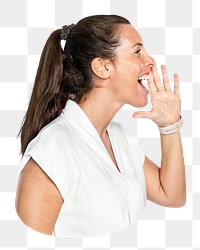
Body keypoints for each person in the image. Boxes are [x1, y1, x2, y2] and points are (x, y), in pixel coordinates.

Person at [15, 14, 186, 237]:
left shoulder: (119, 137)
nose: (150, 61)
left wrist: (169, 125)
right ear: (102, 67)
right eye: (137, 52)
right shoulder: (50, 154)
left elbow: (171, 195)